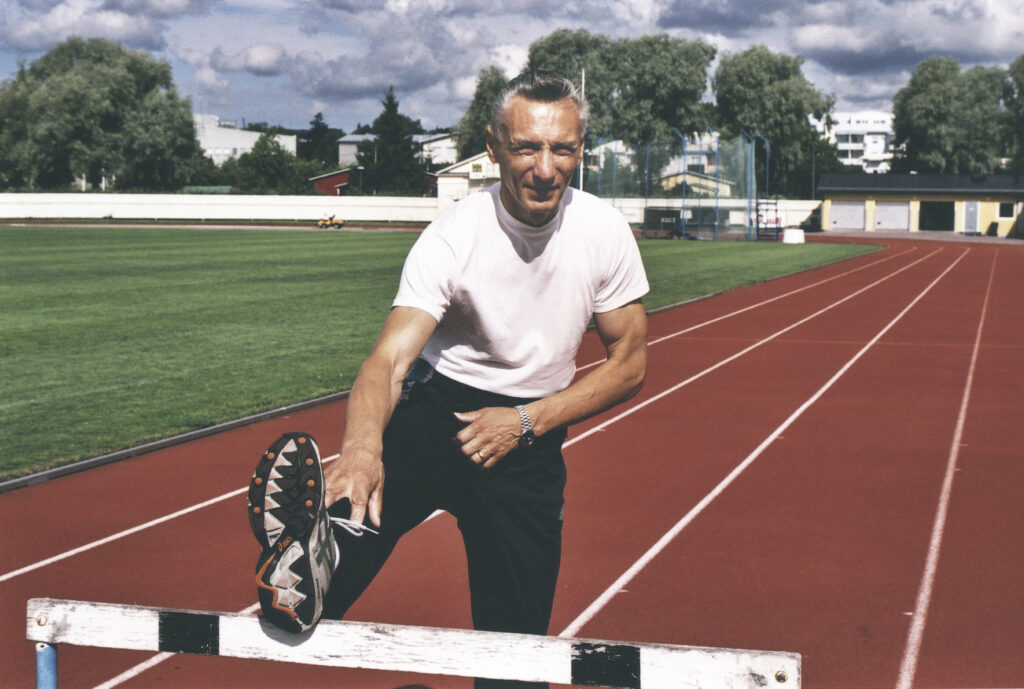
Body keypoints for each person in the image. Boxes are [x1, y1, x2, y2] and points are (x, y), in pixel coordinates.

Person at [248, 70, 649, 687]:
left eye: (562, 149)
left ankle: (326, 551)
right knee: (349, 528)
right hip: (436, 413)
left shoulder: (602, 232)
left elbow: (630, 364)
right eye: (526, 148)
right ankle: (314, 558)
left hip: (529, 439)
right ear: (493, 147)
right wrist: (359, 450)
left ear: (580, 150)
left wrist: (525, 422)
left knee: (513, 664)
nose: (545, 168)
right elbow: (387, 360)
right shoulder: (455, 235)